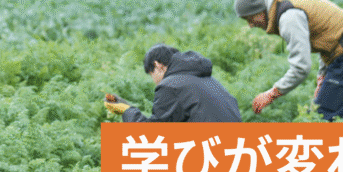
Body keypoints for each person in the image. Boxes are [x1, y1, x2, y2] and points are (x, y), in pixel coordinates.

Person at [233, 0, 343, 121]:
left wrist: (272, 93)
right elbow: (326, 38)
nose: (250, 25)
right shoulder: (285, 7)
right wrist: (322, 77)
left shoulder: (288, 18)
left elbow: (301, 67)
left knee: (321, 117)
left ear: (261, 10)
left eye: (250, 18)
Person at [104, 44, 242, 123]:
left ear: (158, 66)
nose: (155, 82)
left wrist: (127, 111)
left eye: (152, 76)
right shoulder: (208, 81)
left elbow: (154, 136)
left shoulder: (171, 85)